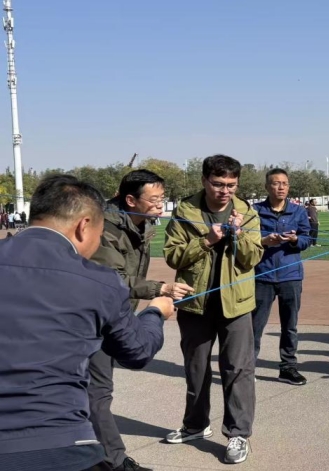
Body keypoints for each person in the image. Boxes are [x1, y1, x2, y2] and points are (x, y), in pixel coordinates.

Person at [0, 174, 174, 471]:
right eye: (99, 232)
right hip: (60, 443)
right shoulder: (98, 281)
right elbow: (137, 351)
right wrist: (155, 313)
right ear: (84, 226)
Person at [87, 170, 194, 471]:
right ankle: (113, 462)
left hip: (113, 313)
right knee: (97, 392)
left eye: (162, 197)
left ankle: (89, 455)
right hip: (92, 319)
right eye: (154, 199)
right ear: (131, 200)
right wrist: (160, 290)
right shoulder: (104, 227)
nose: (161, 204)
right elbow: (113, 280)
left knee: (92, 392)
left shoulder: (140, 223)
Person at [163, 155, 263, 464]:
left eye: (231, 185)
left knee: (238, 369)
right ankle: (195, 425)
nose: (225, 191)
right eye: (218, 184)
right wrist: (206, 240)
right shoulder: (185, 211)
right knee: (196, 368)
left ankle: (237, 433)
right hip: (196, 303)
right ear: (205, 180)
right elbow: (173, 256)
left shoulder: (247, 212)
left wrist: (240, 235)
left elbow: (253, 258)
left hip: (237, 304)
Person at [252, 168, 311, 385]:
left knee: (290, 325)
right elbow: (246, 239)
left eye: (284, 183)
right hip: (262, 275)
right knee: (255, 325)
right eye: (276, 183)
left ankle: (288, 367)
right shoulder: (255, 211)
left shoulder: (298, 211)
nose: (281, 187)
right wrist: (264, 240)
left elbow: (307, 239)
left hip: (290, 276)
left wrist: (295, 240)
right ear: (267, 186)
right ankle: (247, 368)